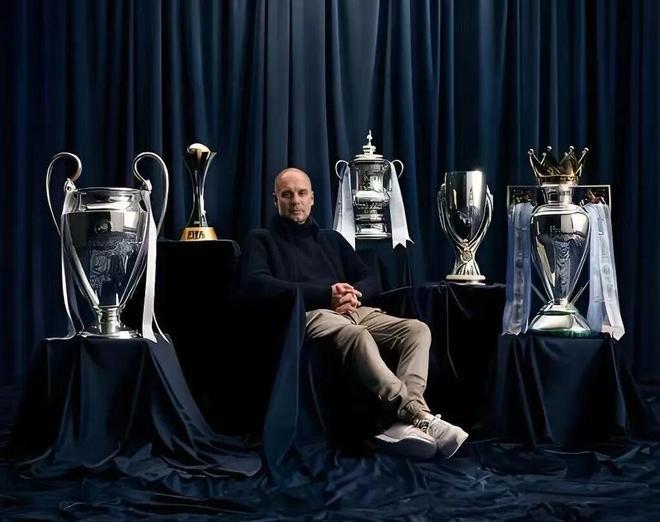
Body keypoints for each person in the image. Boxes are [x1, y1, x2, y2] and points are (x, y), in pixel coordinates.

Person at [240, 167, 468, 459]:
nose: (295, 200)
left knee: (417, 330)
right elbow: (255, 283)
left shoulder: (332, 239)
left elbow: (370, 278)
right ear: (276, 200)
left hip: (352, 309)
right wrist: (327, 294)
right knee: (357, 335)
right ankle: (417, 415)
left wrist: (352, 293)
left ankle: (403, 424)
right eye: (287, 194)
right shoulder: (261, 240)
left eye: (301, 193)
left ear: (312, 198)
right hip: (309, 314)